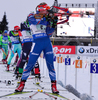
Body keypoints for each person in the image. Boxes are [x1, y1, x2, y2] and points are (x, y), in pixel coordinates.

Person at [15, 2, 59, 94]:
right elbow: (34, 21)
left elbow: (48, 33)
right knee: (30, 64)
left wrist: (53, 24)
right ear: (40, 9)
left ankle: (54, 86)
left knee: (50, 65)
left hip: (47, 42)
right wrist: (45, 17)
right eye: (45, 10)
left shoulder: (46, 18)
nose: (47, 12)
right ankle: (22, 84)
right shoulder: (31, 15)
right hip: (36, 43)